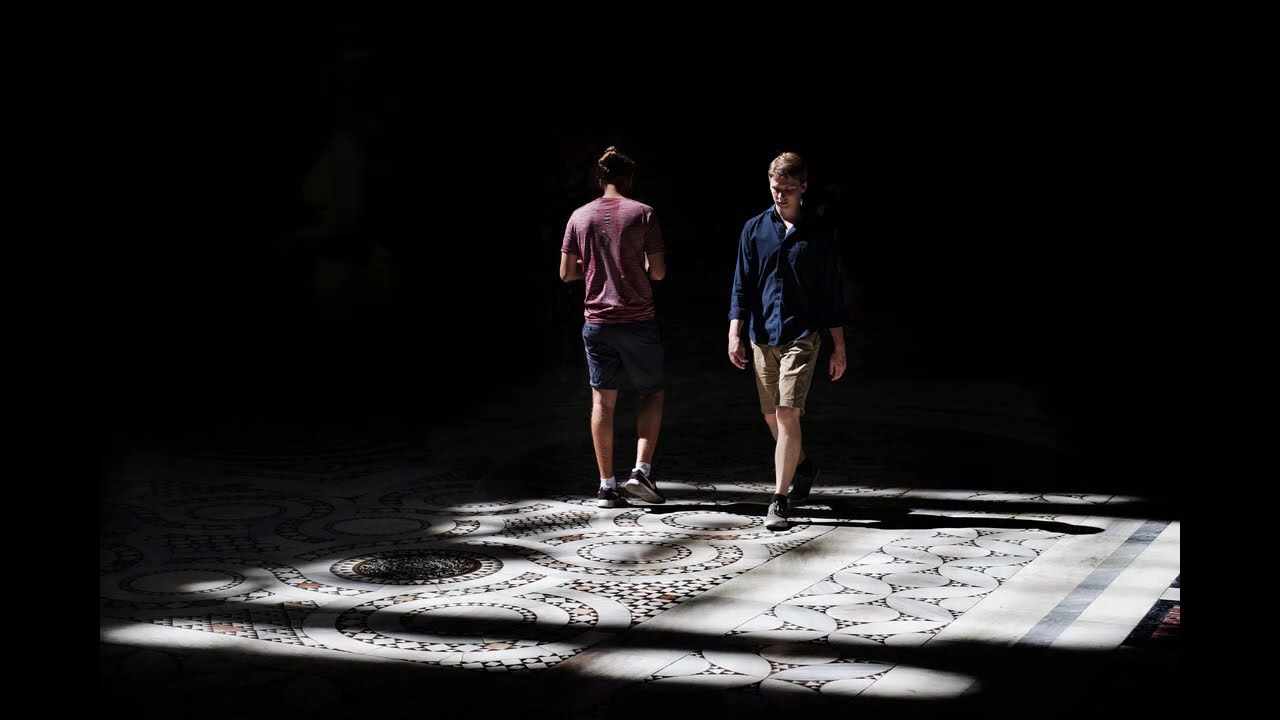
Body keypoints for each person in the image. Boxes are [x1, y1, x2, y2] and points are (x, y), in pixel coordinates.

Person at [728, 151, 848, 530]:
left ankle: (779, 500)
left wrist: (839, 346)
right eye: (775, 188)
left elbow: (831, 293)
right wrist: (734, 332)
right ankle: (804, 466)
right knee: (771, 416)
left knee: (786, 412)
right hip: (762, 334)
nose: (780, 196)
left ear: (804, 187)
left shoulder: (819, 234)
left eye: (788, 189)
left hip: (802, 333)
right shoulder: (754, 230)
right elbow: (742, 284)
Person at [560, 146, 668, 508]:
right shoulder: (644, 214)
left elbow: (566, 273)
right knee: (651, 393)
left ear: (599, 179)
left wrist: (593, 265)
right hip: (638, 320)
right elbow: (658, 272)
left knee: (602, 401)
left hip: (598, 323)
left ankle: (606, 486)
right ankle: (641, 471)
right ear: (629, 178)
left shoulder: (579, 217)